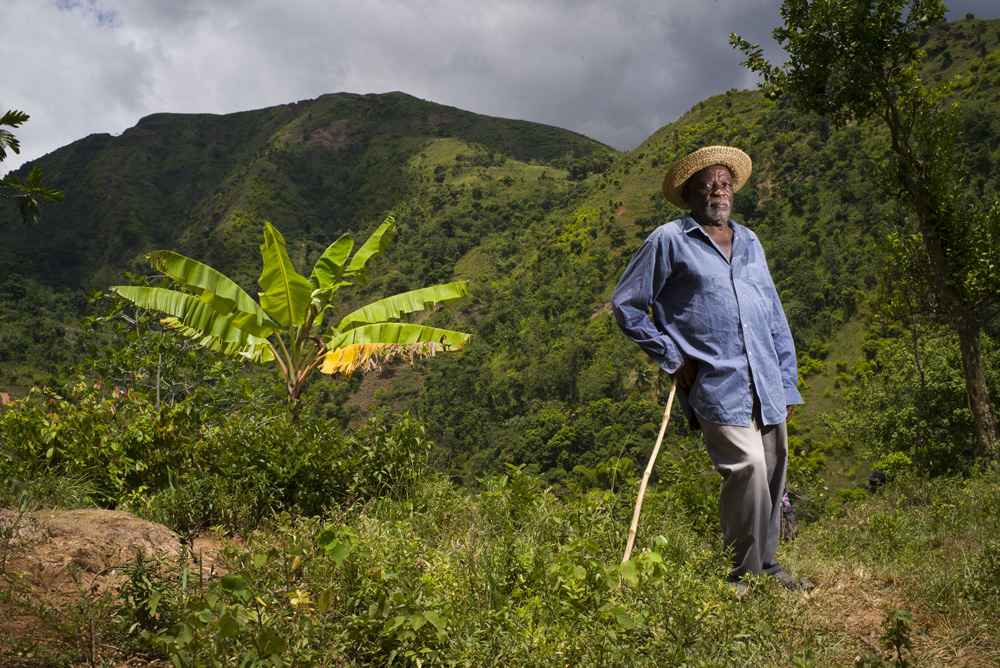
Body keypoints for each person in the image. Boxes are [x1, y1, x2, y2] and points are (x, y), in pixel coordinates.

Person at [611, 145, 813, 594]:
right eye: (706, 186)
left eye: (724, 183)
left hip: (766, 381)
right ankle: (743, 577)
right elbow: (627, 305)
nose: (717, 192)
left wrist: (786, 386)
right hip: (717, 385)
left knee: (774, 471)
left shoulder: (751, 242)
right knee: (747, 469)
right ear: (688, 195)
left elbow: (773, 316)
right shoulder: (669, 240)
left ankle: (768, 568)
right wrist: (670, 355)